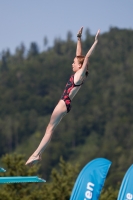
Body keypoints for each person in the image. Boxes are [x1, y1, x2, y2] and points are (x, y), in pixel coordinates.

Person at [25, 27, 100, 166]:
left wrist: (95, 42)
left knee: (49, 129)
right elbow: (80, 55)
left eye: (74, 63)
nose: (72, 64)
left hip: (63, 103)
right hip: (66, 104)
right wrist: (78, 38)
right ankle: (37, 154)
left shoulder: (80, 75)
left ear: (80, 66)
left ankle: (36, 154)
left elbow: (86, 57)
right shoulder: (79, 74)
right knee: (50, 129)